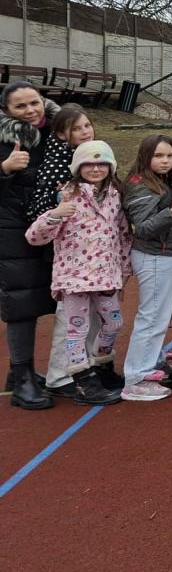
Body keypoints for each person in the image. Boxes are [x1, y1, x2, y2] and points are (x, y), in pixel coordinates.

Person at [25, 140, 129, 405]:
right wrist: (55, 214)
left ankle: (100, 366)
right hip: (74, 279)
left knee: (114, 323)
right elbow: (34, 237)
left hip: (106, 276)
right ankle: (84, 382)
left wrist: (124, 269)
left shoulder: (115, 196)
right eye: (88, 164)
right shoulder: (67, 196)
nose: (95, 168)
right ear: (78, 167)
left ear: (110, 167)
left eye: (102, 163)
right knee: (76, 331)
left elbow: (123, 234)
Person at [32, 106, 111, 399]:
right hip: (71, 256)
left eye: (87, 125)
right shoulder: (58, 162)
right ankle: (59, 375)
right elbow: (39, 206)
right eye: (76, 128)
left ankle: (83, 368)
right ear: (62, 133)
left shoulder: (95, 155)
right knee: (71, 319)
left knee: (95, 317)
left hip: (97, 257)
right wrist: (58, 204)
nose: (85, 131)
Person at [0, 80, 60, 410]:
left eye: (34, 102)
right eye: (20, 106)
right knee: (21, 302)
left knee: (38, 296)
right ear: (7, 110)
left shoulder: (54, 131)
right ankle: (22, 379)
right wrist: (4, 168)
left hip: (45, 225)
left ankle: (18, 372)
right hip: (11, 228)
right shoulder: (4, 138)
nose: (30, 110)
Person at [120, 135, 172, 401]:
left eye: (169, 156)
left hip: (164, 255)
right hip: (154, 256)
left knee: (159, 316)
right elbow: (143, 228)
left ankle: (150, 363)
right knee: (152, 317)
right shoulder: (140, 184)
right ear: (145, 156)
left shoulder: (160, 182)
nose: (165, 161)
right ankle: (137, 378)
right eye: (158, 156)